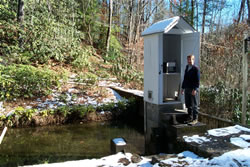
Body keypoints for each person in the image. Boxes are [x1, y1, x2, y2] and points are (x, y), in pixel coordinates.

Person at [181, 54, 200, 125]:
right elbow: (185, 79)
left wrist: (195, 89)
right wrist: (182, 88)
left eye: (191, 59)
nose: (190, 61)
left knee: (194, 104)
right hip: (187, 88)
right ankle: (190, 117)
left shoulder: (196, 69)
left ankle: (195, 119)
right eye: (188, 60)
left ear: (193, 60)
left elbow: (197, 81)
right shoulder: (187, 68)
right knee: (188, 104)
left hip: (193, 89)